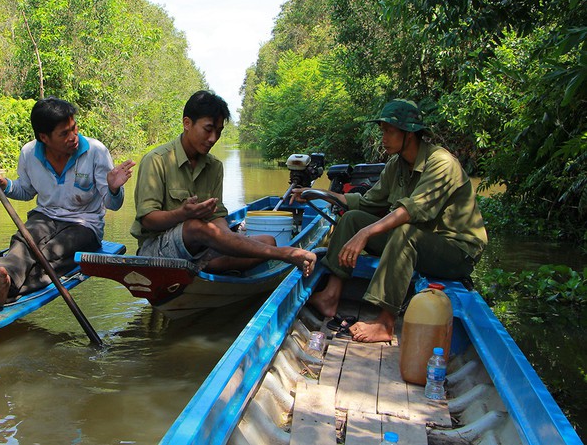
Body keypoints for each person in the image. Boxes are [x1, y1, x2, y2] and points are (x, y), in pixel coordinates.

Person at [291, 99, 487, 342]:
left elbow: (411, 211)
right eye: (382, 130)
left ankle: (385, 323)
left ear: (410, 134)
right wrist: (322, 194)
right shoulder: (396, 165)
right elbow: (366, 203)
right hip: (417, 242)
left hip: (455, 251)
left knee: (403, 232)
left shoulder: (441, 163)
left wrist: (366, 235)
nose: (383, 137)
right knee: (352, 220)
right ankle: (330, 296)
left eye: (389, 131)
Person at [130, 90, 317, 276]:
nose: (213, 138)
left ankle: (201, 267)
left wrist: (228, 238)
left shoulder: (214, 166)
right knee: (194, 226)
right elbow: (147, 219)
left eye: (219, 132)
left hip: (201, 247)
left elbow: (217, 216)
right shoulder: (156, 160)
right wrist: (182, 214)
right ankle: (284, 254)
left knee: (268, 241)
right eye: (208, 129)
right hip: (156, 251)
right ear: (187, 123)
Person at [0, 97, 135, 309]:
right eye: (64, 133)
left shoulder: (96, 152)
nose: (73, 137)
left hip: (85, 225)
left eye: (74, 128)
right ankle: (3, 276)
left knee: (52, 253)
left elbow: (113, 204)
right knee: (24, 239)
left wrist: (114, 188)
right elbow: (26, 191)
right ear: (44, 137)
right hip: (45, 217)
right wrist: (5, 184)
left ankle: (6, 286)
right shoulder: (29, 153)